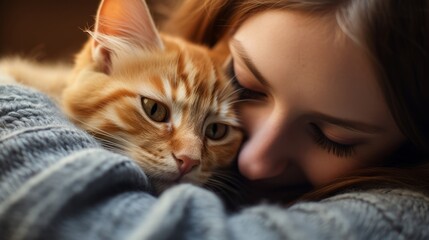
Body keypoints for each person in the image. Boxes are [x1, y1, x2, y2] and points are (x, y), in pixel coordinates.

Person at [0, 0, 428, 239]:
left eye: (332, 136)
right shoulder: (173, 66)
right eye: (249, 87)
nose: (253, 162)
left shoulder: (404, 217)